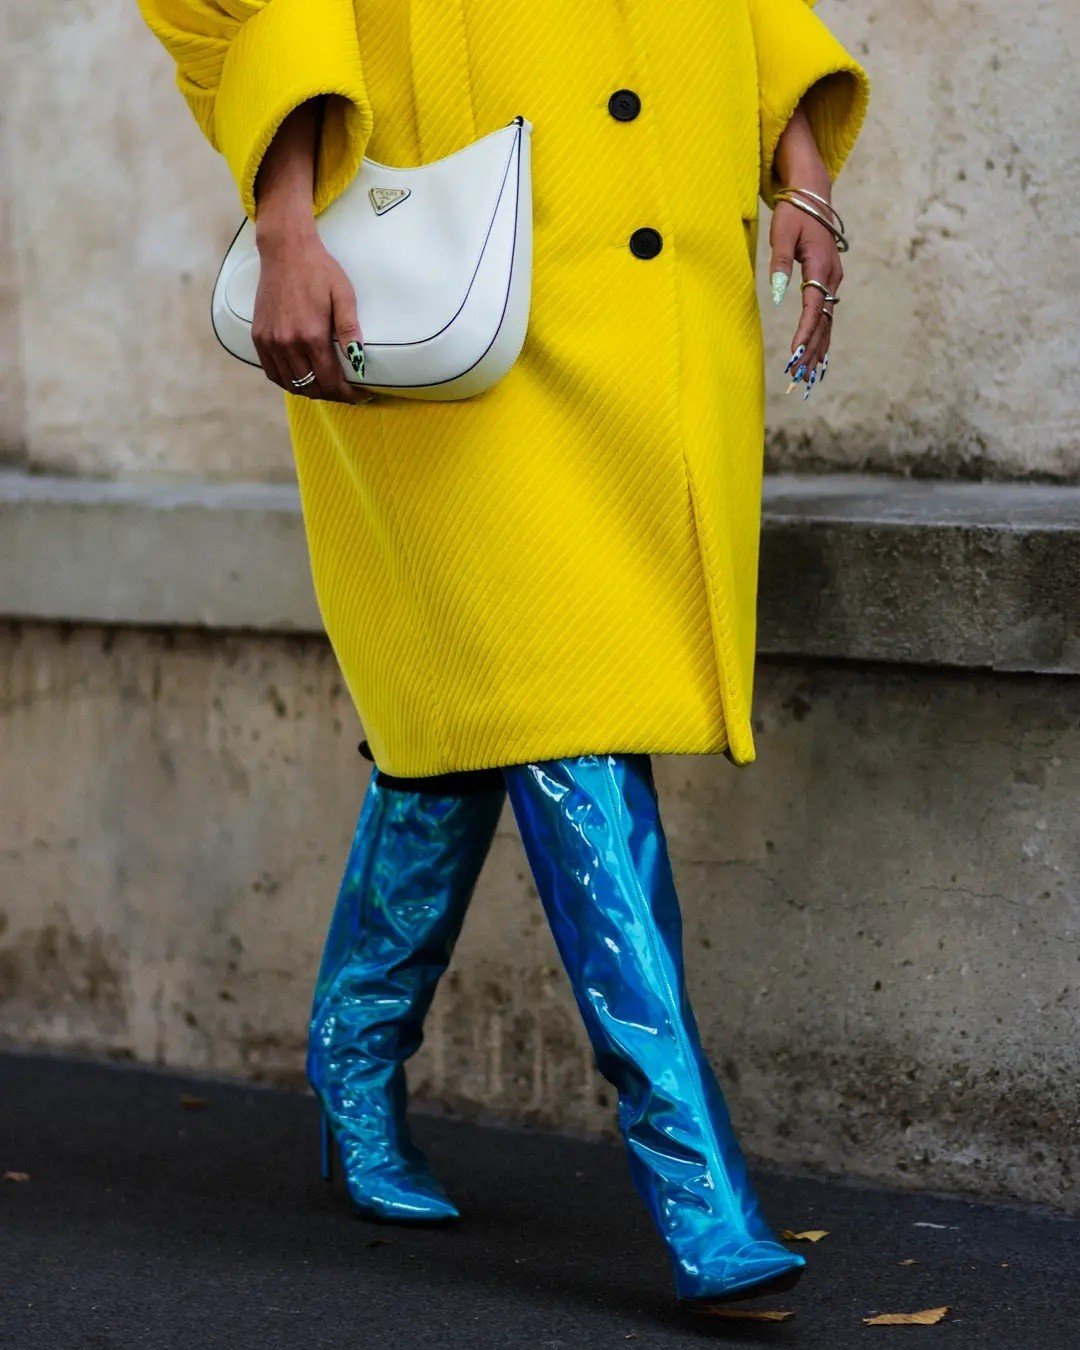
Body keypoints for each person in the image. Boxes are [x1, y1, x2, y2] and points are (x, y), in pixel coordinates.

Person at [138, 0, 868, 1309]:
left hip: (651, 278)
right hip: (449, 274)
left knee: (463, 733)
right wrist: (287, 221)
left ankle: (352, 1057)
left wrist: (799, 165)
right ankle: (697, 1186)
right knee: (568, 723)